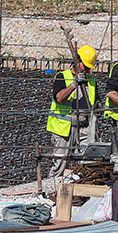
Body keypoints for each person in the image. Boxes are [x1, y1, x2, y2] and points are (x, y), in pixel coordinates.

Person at [47, 44, 97, 177]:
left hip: (83, 128)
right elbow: (60, 98)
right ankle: (52, 189)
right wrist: (74, 84)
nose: (86, 70)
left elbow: (96, 104)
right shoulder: (62, 76)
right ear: (77, 61)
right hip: (64, 129)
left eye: (88, 67)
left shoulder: (91, 81)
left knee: (87, 162)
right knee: (60, 164)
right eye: (85, 66)